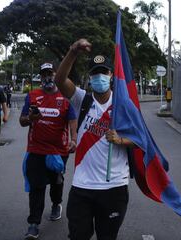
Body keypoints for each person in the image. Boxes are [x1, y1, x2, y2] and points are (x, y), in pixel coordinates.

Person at [54, 39, 134, 240]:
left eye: (104, 72)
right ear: (89, 78)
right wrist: (73, 51)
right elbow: (60, 80)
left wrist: (121, 140)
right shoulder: (82, 99)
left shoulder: (124, 104)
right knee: (78, 236)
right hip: (83, 186)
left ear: (111, 76)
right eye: (95, 73)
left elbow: (141, 139)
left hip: (114, 186)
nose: (100, 77)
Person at [19, 62, 77, 240]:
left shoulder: (65, 97)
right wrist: (31, 118)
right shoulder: (33, 96)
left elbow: (72, 119)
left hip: (59, 151)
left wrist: (74, 139)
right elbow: (22, 121)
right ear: (40, 77)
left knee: (56, 181)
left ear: (56, 75)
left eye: (50, 74)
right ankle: (33, 224)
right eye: (44, 74)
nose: (48, 78)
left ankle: (56, 203)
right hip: (36, 149)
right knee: (37, 186)